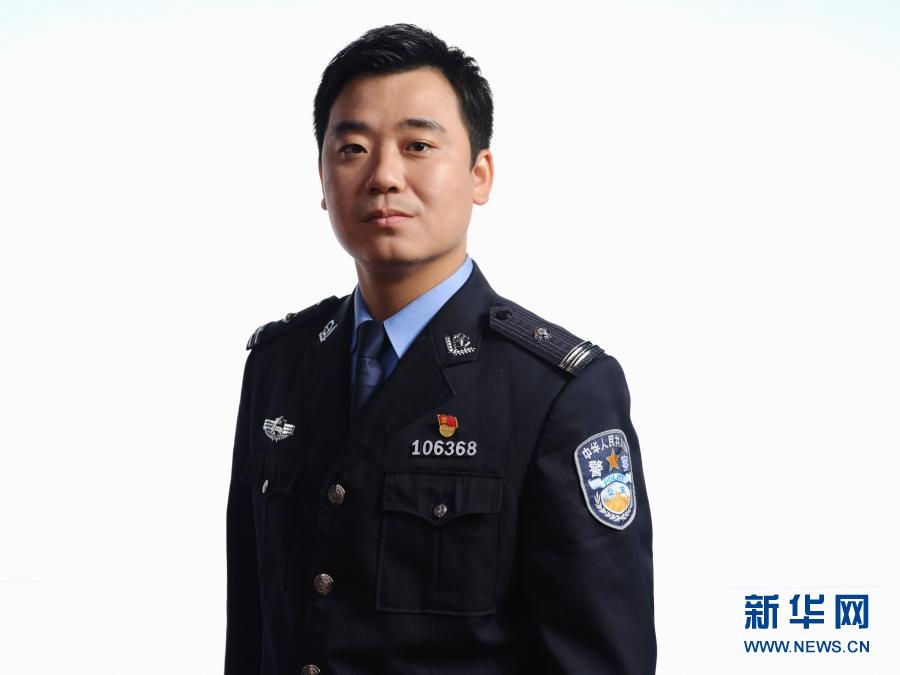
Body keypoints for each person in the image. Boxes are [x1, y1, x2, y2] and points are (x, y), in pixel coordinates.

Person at [225, 23, 655, 675]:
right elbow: (252, 629)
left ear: (480, 174)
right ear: (322, 177)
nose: (384, 176)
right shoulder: (278, 365)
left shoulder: (556, 392)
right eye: (353, 149)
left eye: (418, 146)